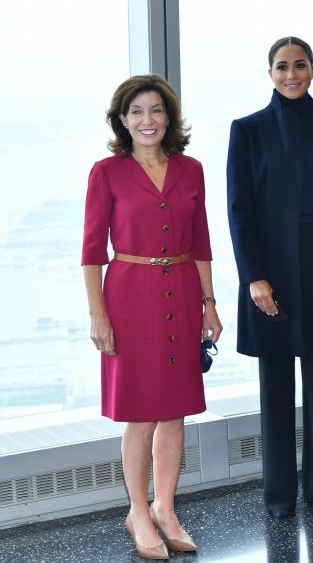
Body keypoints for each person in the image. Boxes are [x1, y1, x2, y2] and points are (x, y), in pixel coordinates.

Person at [82, 75, 222, 560]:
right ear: (123, 120)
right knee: (140, 415)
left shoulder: (192, 169)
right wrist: (98, 315)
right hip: (128, 298)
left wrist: (210, 304)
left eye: (156, 110)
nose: (148, 120)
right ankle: (138, 511)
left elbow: (201, 240)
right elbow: (91, 253)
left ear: (169, 117)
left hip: (182, 292)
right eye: (137, 111)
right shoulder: (106, 172)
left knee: (175, 411)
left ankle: (165, 507)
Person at [226, 36, 313, 517]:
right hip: (270, 276)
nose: (291, 74)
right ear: (270, 74)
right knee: (275, 390)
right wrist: (254, 277)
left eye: (300, 65)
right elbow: (240, 213)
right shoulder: (248, 130)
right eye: (282, 67)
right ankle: (278, 496)